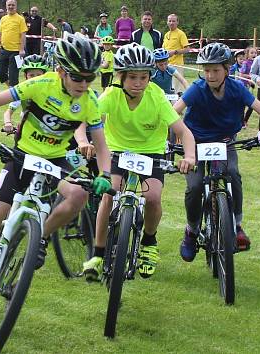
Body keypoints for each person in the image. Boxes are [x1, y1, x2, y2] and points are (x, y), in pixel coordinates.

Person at [0, 34, 113, 307]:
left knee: (79, 196)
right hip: (23, 156)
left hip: (57, 160)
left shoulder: (90, 102)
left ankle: (40, 237)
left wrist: (105, 175)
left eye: (89, 78)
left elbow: (102, 145)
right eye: (77, 77)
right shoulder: (40, 84)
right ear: (61, 71)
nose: (83, 84)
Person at [82, 43, 196, 281]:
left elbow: (183, 132)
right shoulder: (111, 94)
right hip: (118, 151)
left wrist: (189, 157)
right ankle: (98, 252)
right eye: (132, 77)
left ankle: (149, 241)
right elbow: (85, 120)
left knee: (153, 197)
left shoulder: (156, 97)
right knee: (108, 195)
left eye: (143, 77)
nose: (138, 82)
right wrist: (84, 141)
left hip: (151, 153)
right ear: (120, 77)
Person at [175, 43, 260, 259]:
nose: (210, 75)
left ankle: (237, 226)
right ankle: (191, 231)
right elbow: (173, 114)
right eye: (206, 70)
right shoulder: (196, 88)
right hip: (197, 142)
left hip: (225, 141)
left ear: (227, 70)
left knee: (233, 174)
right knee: (194, 186)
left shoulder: (237, 88)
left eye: (215, 70)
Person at [2, 54, 50, 133]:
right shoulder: (21, 91)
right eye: (31, 75)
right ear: (25, 76)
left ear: (44, 75)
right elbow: (8, 112)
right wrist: (8, 123)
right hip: (27, 128)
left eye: (39, 75)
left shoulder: (50, 90)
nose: (35, 78)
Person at [0, 0, 27, 87]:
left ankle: (14, 95)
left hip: (16, 52)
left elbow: (23, 35)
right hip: (4, 50)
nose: (11, 7)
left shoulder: (20, 19)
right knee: (0, 71)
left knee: (13, 76)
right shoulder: (3, 19)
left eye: (13, 5)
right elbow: (0, 34)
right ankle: (12, 89)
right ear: (6, 6)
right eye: (9, 5)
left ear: (16, 6)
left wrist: (22, 49)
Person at [162, 14, 189, 93]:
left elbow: (187, 49)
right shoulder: (166, 34)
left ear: (177, 22)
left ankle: (177, 104)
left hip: (177, 65)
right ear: (167, 22)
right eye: (169, 21)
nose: (171, 23)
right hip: (166, 65)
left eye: (173, 21)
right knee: (167, 88)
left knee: (176, 89)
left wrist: (175, 52)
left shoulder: (181, 34)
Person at [240, 46, 257, 127]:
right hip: (243, 86)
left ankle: (245, 121)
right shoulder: (245, 63)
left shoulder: (256, 63)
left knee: (252, 105)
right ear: (247, 54)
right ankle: (242, 122)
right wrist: (250, 77)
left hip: (249, 86)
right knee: (243, 105)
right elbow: (241, 75)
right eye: (252, 53)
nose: (254, 54)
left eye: (255, 53)